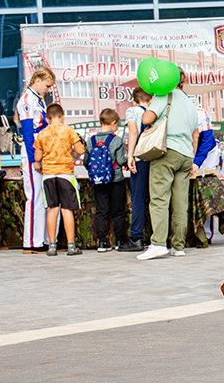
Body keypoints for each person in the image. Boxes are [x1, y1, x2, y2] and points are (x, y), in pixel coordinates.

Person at [137, 69, 199, 260]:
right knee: (181, 202)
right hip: (186, 153)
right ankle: (178, 246)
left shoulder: (164, 94)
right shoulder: (190, 102)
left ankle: (158, 244)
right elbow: (196, 133)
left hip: (167, 149)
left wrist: (150, 106)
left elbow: (146, 119)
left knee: (159, 198)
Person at [33, 103, 85, 257]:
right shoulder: (68, 130)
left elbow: (37, 157)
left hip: (48, 175)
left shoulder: (42, 133)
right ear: (63, 116)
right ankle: (71, 246)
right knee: (66, 209)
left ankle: (52, 246)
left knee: (52, 209)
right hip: (65, 174)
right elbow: (80, 150)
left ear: (47, 119)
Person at [17, 67, 56, 253]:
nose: (48, 90)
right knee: (34, 197)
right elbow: (27, 133)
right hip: (34, 152)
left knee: (44, 196)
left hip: (43, 149)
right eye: (47, 85)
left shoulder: (38, 99)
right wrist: (35, 159)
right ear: (38, 80)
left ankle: (46, 239)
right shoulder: (26, 100)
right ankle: (32, 241)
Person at [84, 108, 127, 252]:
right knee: (118, 211)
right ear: (114, 123)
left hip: (99, 181)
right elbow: (121, 161)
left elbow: (86, 162)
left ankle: (102, 242)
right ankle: (119, 241)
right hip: (116, 180)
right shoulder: (116, 140)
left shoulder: (91, 141)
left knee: (101, 211)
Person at [121, 87, 153, 252]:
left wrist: (130, 155)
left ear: (134, 100)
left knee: (138, 198)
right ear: (150, 100)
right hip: (155, 159)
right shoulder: (154, 111)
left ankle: (136, 237)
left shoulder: (132, 110)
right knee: (156, 199)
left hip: (140, 159)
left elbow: (133, 131)